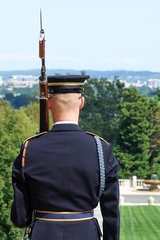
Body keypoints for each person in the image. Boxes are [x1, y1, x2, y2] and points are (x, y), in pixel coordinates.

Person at [11, 75, 120, 240]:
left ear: (48, 105)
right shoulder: (101, 149)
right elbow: (111, 213)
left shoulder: (29, 149)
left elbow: (20, 219)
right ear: (81, 103)